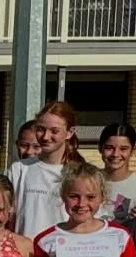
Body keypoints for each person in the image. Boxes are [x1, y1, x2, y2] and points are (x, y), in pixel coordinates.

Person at [6, 100, 81, 237]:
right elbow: (6, 215)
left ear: (70, 132)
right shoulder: (19, 169)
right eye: (40, 129)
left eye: (54, 131)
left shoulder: (80, 173)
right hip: (26, 253)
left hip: (63, 252)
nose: (46, 137)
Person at [97, 123, 136, 222]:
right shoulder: (88, 181)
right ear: (100, 148)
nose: (116, 154)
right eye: (109, 148)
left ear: (133, 150)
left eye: (123, 149)